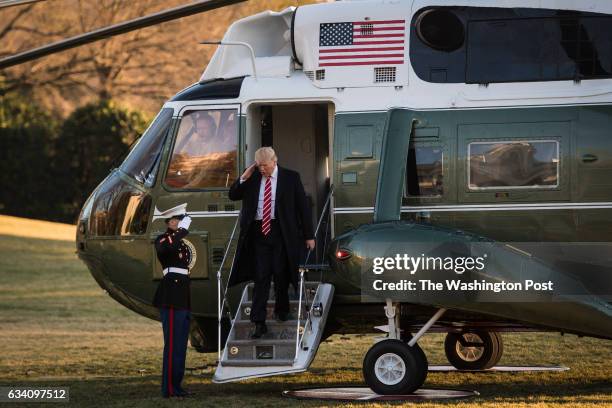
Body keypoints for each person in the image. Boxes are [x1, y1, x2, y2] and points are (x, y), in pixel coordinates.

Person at [228, 147, 315, 339]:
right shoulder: (253, 177)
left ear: (274, 161)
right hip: (259, 233)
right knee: (261, 277)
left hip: (281, 232)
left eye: (265, 166)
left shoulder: (291, 178)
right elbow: (233, 195)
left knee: (281, 273)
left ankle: (281, 309)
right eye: (259, 166)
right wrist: (244, 176)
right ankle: (259, 322)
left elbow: (303, 208)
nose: (262, 170)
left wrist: (309, 235)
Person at [153, 212, 194, 398]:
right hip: (170, 295)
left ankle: (177, 385)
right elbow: (166, 250)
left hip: (183, 295)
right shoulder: (162, 239)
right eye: (174, 220)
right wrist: (183, 230)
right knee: (172, 344)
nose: (177, 222)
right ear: (168, 223)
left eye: (179, 220)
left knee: (180, 345)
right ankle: (169, 388)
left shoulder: (182, 242)